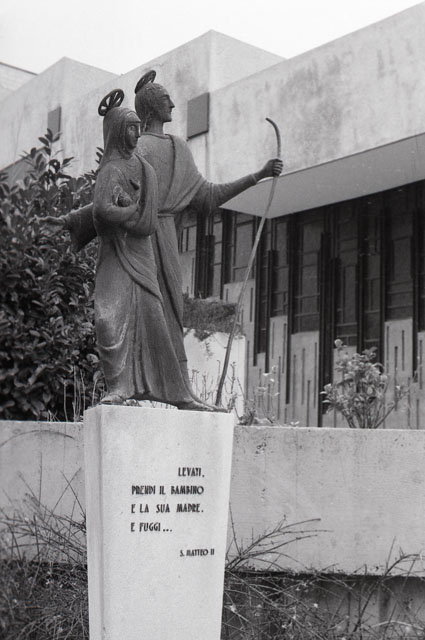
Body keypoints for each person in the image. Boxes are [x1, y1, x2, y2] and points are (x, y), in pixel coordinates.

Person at [91, 90, 207, 410]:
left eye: (136, 128)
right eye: (129, 129)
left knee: (157, 324)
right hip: (117, 254)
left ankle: (178, 392)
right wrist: (78, 221)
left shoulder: (148, 169)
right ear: (119, 132)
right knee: (107, 319)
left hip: (144, 255)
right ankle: (119, 386)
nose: (136, 134)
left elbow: (148, 218)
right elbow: (99, 208)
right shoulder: (111, 169)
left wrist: (129, 213)